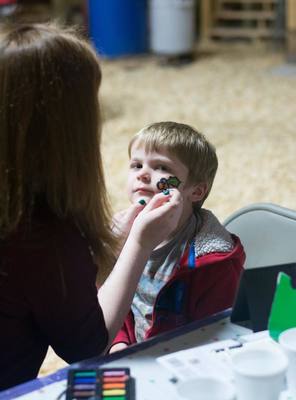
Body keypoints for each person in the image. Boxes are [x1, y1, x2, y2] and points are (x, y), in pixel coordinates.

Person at [0, 24, 183, 390]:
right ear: (71, 129)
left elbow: (48, 289)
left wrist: (100, 247)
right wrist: (139, 244)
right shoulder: (41, 233)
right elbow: (86, 345)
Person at [110, 121, 245, 352]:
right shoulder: (120, 234)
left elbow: (214, 336)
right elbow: (109, 296)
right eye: (136, 164)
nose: (142, 174)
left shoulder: (214, 262)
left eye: (161, 167)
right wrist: (119, 342)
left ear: (196, 191)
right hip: (131, 353)